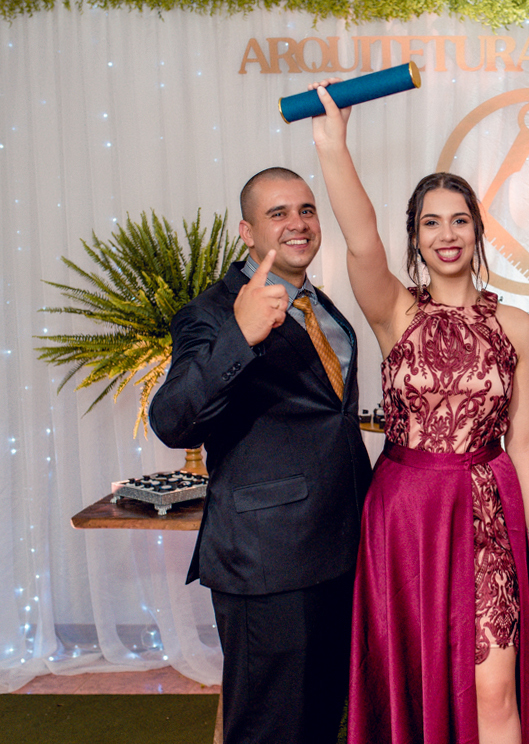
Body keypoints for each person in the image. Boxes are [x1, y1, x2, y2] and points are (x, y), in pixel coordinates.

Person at [308, 81, 529, 744]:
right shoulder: (396, 310)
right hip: (405, 515)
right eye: (430, 222)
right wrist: (334, 147)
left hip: (486, 510)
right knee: (413, 683)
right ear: (415, 238)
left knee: (495, 690)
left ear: (477, 230)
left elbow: (527, 440)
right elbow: (361, 245)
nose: (446, 234)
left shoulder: (517, 325)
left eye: (459, 220)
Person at [149, 167, 372, 743]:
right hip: (268, 559)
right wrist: (239, 337)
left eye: (306, 210)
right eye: (278, 214)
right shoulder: (213, 313)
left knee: (323, 719)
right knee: (269, 729)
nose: (297, 224)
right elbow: (172, 421)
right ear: (246, 231)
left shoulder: (320, 305)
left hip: (340, 547)